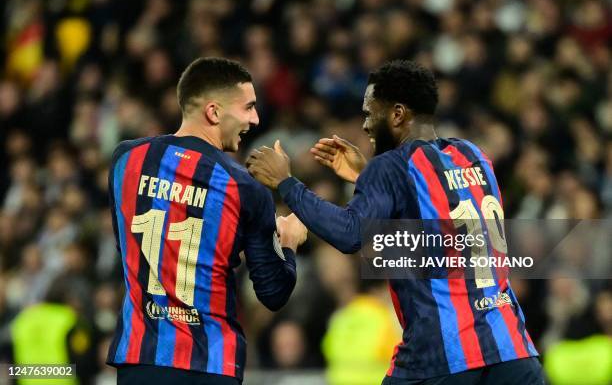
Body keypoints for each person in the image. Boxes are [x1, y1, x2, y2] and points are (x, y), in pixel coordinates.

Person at [246, 60, 544, 384]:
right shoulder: (474, 155)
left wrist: (287, 183)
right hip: (513, 351)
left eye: (369, 112)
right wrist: (366, 177)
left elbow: (350, 234)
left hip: (441, 357)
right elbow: (436, 218)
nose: (365, 125)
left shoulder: (391, 167)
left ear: (397, 114)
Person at [106, 57, 307, 385]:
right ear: (214, 112)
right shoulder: (244, 187)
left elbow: (126, 246)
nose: (255, 119)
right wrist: (288, 244)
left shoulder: (126, 159)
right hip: (211, 364)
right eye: (248, 108)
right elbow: (273, 293)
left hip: (141, 360)